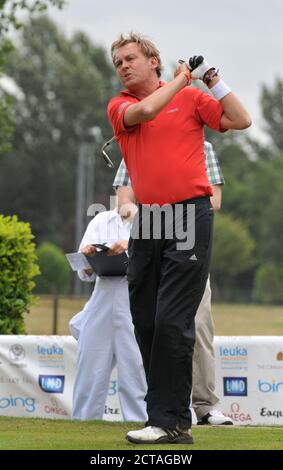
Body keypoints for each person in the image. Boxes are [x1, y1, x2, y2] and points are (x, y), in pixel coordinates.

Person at [107, 32, 251, 444]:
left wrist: (212, 80)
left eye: (130, 58)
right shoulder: (122, 105)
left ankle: (171, 423)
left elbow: (241, 120)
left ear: (153, 61)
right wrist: (184, 77)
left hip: (190, 214)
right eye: (118, 62)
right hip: (150, 220)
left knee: (173, 319)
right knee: (147, 322)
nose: (123, 66)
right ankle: (165, 416)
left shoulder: (190, 98)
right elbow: (151, 109)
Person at [112, 142, 233, 426]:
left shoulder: (200, 147)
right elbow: (124, 202)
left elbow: (213, 200)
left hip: (189, 247)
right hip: (149, 247)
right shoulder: (135, 145)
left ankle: (206, 406)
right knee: (154, 327)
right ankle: (161, 407)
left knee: (199, 326)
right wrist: (145, 217)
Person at [70, 207, 147, 422]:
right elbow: (82, 270)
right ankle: (83, 424)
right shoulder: (101, 220)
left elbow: (156, 262)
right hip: (101, 297)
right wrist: (89, 258)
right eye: (120, 187)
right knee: (90, 368)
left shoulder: (153, 219)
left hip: (135, 297)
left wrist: (130, 248)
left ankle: (141, 423)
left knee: (136, 368)